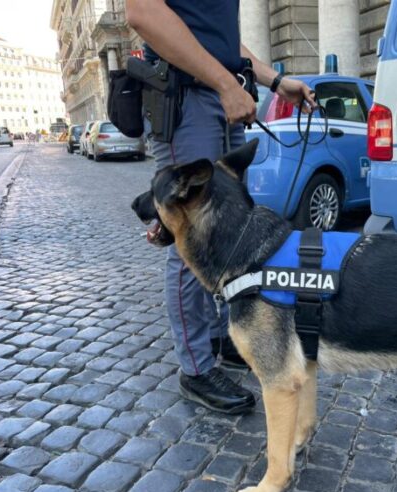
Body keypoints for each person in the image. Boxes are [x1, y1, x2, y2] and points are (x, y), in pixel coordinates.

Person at [125, 0, 316, 414]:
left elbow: (221, 43)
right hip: (188, 96)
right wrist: (227, 85)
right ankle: (194, 367)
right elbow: (143, 12)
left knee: (229, 234)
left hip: (219, 91)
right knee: (190, 239)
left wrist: (275, 80)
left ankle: (217, 335)